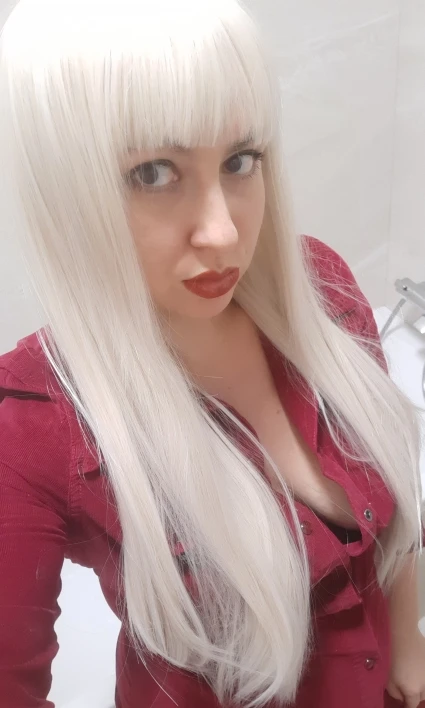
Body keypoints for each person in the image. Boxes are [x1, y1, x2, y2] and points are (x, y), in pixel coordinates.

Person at [0, 0, 424, 706]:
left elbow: (390, 506)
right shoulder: (32, 427)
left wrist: (407, 640)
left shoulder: (318, 288)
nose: (223, 233)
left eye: (239, 160)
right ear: (68, 190)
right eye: (152, 173)